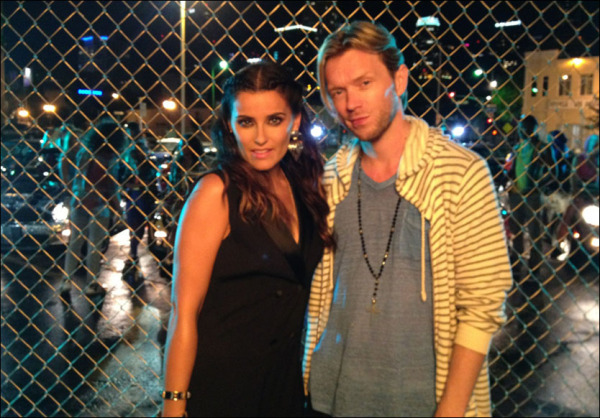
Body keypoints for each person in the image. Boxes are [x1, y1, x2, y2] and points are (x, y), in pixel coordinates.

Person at [303, 21, 512, 417]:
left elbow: (482, 306)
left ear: (399, 80)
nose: (351, 103)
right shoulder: (330, 179)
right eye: (338, 91)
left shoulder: (460, 173)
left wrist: (451, 409)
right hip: (331, 395)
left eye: (364, 83)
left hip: (421, 401)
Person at [161, 61, 334, 417]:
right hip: (223, 387)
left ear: (295, 121)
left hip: (282, 384)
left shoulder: (302, 186)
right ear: (229, 124)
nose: (260, 138)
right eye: (246, 122)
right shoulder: (215, 193)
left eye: (274, 120)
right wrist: (173, 407)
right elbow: (184, 313)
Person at [60, 118, 127, 299]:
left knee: (75, 243)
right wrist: (118, 210)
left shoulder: (85, 153)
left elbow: (76, 174)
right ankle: (91, 284)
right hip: (99, 204)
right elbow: (111, 187)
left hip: (80, 201)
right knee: (94, 246)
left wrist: (72, 189)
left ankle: (66, 281)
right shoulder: (110, 158)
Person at [120, 125, 158, 283]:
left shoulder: (148, 163)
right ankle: (133, 252)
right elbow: (123, 181)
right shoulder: (127, 162)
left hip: (143, 197)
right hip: (134, 196)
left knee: (140, 227)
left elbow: (150, 181)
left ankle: (136, 250)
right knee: (134, 226)